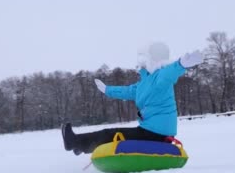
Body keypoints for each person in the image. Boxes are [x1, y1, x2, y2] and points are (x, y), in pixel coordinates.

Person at [61, 42, 204, 155]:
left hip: (158, 133)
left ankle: (74, 142)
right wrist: (107, 89)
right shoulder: (144, 83)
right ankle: (83, 146)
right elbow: (127, 91)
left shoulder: (160, 78)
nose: (140, 60)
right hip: (148, 130)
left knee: (111, 134)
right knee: (111, 134)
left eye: (143, 56)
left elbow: (168, 73)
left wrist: (181, 64)